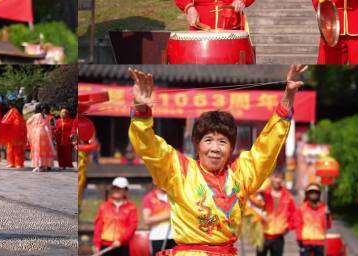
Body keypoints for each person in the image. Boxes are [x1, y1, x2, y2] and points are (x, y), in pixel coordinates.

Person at [128, 64, 306, 255]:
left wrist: (288, 97)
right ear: (197, 145)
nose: (215, 148)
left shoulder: (241, 174)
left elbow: (267, 148)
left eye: (222, 141)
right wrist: (142, 110)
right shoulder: (179, 170)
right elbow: (150, 148)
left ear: (231, 149)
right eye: (208, 140)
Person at [92, 177, 139, 256]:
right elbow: (98, 226)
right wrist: (96, 244)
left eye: (119, 188)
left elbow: (132, 227)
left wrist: (120, 240)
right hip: (105, 246)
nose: (116, 190)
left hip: (122, 246)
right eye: (114, 188)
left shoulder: (132, 208)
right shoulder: (104, 206)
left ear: (125, 190)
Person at [255, 170, 297, 256]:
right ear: (270, 178)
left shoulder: (288, 196)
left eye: (281, 178)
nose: (278, 180)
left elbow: (293, 214)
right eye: (276, 177)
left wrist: (288, 227)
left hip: (278, 236)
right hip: (262, 235)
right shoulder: (263, 193)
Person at [296, 184, 331, 256]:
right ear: (307, 194)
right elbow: (298, 225)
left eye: (315, 192)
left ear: (319, 194)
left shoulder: (324, 208)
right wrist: (299, 239)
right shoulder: (302, 208)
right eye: (311, 192)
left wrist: (327, 216)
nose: (313, 194)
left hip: (320, 241)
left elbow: (327, 226)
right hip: (306, 242)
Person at [143, 186, 176, 253]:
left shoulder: (174, 195)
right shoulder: (149, 197)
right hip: (157, 237)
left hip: (175, 237)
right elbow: (146, 220)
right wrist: (167, 216)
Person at [26, 104, 55, 172]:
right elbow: (49, 127)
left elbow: (28, 122)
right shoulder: (46, 116)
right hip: (46, 133)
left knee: (38, 149)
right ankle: (45, 165)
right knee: (45, 150)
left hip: (38, 133)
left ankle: (39, 165)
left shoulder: (35, 116)